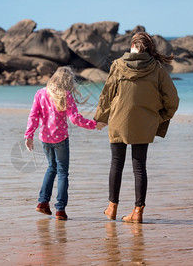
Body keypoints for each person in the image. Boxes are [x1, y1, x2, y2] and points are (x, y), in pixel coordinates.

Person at [94, 32, 179, 223]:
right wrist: (160, 119)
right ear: (148, 48)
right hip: (144, 123)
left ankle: (112, 207)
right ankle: (138, 211)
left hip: (118, 121)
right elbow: (172, 99)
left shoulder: (117, 64)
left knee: (116, 164)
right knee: (139, 167)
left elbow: (107, 93)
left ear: (132, 45)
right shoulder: (157, 68)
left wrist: (101, 117)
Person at [24, 66, 99, 220]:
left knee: (52, 168)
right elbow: (75, 119)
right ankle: (60, 209)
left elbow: (33, 116)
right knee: (62, 172)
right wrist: (93, 124)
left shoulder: (40, 93)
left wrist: (29, 135)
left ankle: (42, 203)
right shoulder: (66, 95)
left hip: (45, 138)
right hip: (60, 139)